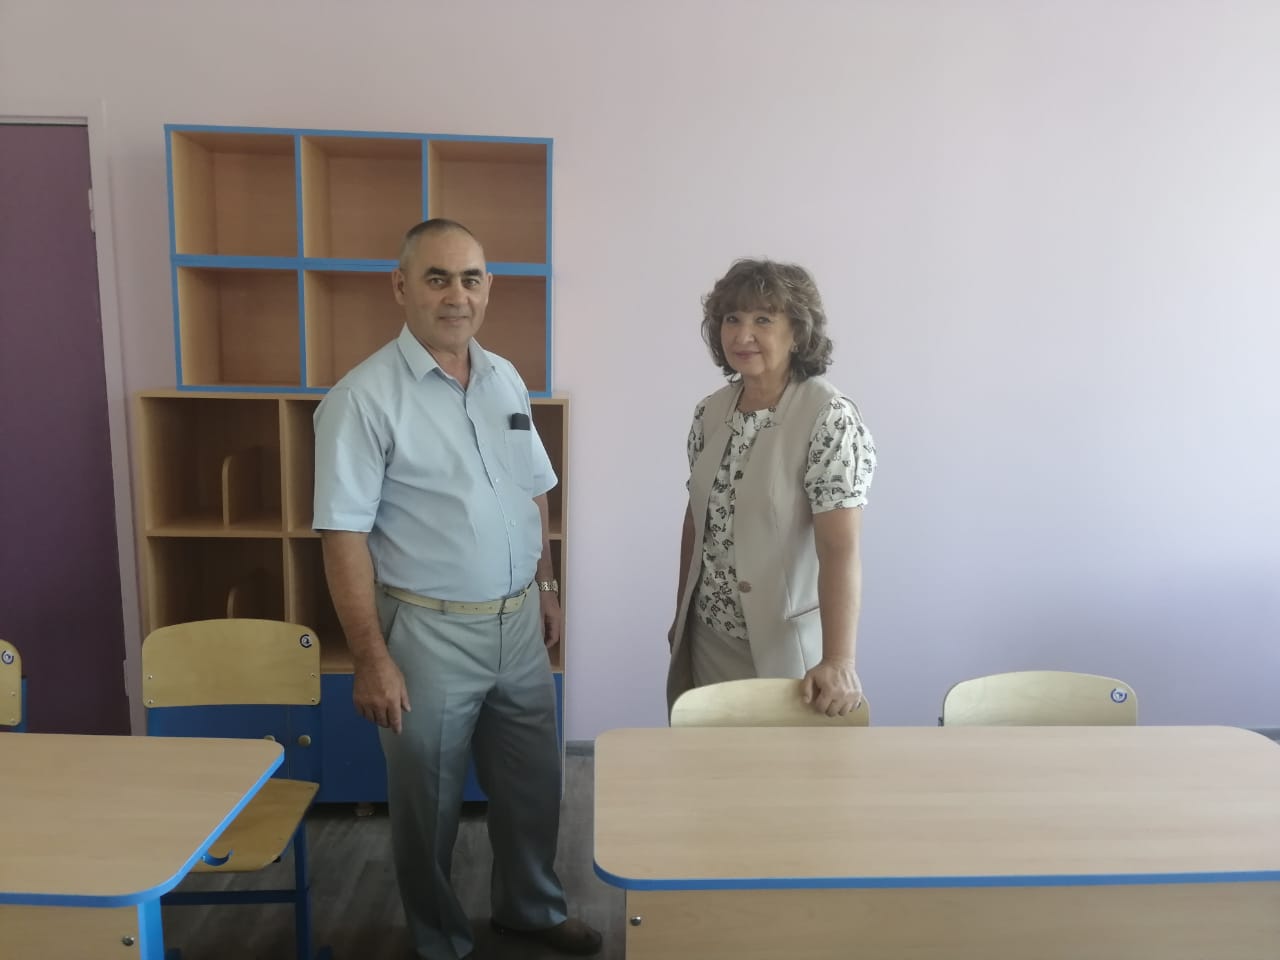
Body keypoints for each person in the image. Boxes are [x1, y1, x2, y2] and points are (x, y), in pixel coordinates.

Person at [312, 218, 601, 960]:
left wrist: (547, 585)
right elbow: (342, 537)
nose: (456, 296)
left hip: (518, 624)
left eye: (470, 279)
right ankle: (438, 940)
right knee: (428, 804)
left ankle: (530, 911)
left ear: (488, 288)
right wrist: (370, 658)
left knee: (534, 785)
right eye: (437, 278)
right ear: (401, 286)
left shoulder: (503, 377)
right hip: (426, 632)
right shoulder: (362, 399)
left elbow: (534, 489)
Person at [667, 258, 877, 718]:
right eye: (732, 319)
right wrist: (680, 617)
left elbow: (839, 548)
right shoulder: (710, 413)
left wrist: (839, 660)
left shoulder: (828, 416)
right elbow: (697, 521)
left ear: (797, 332)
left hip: (788, 651)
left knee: (789, 765)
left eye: (763, 319)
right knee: (710, 761)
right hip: (708, 640)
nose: (743, 335)